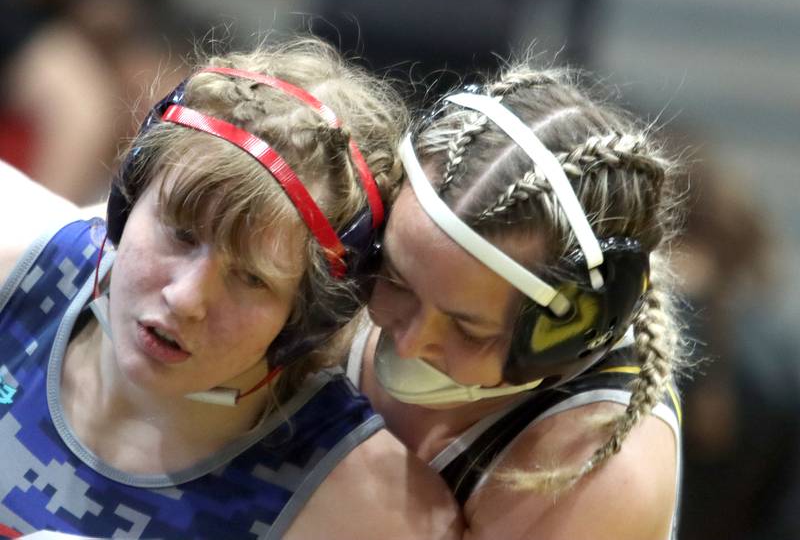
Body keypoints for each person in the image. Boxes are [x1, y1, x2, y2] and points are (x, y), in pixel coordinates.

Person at [0, 38, 461, 539]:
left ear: (307, 320)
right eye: (180, 234)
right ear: (127, 202)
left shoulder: (367, 510)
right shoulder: (11, 267)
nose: (185, 299)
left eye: (251, 279)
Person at [348, 64, 685, 539]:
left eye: (468, 330)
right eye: (396, 281)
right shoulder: (353, 254)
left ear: (568, 332)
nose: (408, 344)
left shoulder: (590, 474)